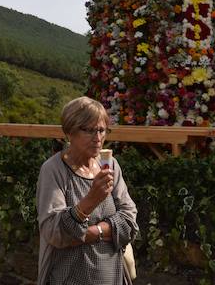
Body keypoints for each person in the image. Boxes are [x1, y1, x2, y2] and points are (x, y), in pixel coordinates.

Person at [36, 96, 138, 285]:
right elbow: (54, 232)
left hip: (112, 277)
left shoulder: (109, 165)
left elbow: (130, 221)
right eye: (89, 130)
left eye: (101, 130)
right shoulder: (54, 170)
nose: (98, 138)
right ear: (70, 132)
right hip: (69, 278)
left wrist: (87, 233)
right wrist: (91, 200)